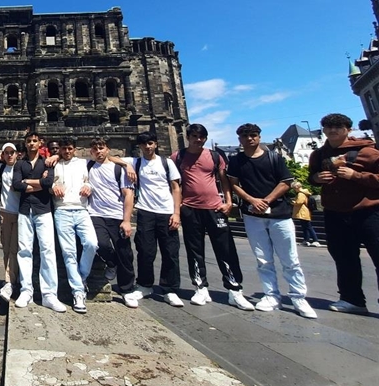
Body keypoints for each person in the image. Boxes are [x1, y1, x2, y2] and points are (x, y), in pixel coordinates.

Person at [227, 123, 316, 319]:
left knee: (290, 259)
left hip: (279, 214)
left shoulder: (274, 157)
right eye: (245, 136)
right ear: (239, 139)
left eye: (253, 135)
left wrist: (266, 200)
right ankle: (271, 295)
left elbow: (285, 182)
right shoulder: (236, 161)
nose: (249, 138)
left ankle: (298, 297)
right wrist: (252, 201)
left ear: (259, 136)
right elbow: (234, 185)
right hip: (253, 215)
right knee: (263, 260)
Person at [171, 124, 254, 311]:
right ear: (188, 136)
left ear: (205, 138)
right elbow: (174, 184)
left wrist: (229, 201)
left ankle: (234, 290)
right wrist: (178, 207)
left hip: (215, 208)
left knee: (225, 248)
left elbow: (224, 180)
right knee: (194, 249)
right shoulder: (177, 157)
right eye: (194, 136)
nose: (197, 139)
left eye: (201, 137)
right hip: (190, 208)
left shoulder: (215, 156)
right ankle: (201, 288)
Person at [309, 112, 379, 314]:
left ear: (348, 130)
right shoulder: (319, 154)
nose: (332, 130)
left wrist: (355, 175)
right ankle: (352, 299)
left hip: (368, 211)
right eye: (328, 127)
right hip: (335, 212)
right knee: (343, 257)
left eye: (338, 127)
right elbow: (311, 177)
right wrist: (317, 178)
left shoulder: (368, 151)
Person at [118, 132, 184, 307]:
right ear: (139, 146)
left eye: (150, 143)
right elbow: (110, 157)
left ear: (155, 144)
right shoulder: (136, 162)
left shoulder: (167, 162)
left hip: (166, 212)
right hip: (146, 211)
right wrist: (128, 166)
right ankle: (145, 285)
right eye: (144, 144)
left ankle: (170, 289)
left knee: (170, 252)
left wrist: (176, 213)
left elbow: (176, 188)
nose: (147, 146)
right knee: (146, 251)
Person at [12, 132, 65, 313]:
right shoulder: (20, 163)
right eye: (29, 141)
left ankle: (49, 294)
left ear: (40, 143)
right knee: (24, 249)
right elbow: (16, 184)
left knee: (47, 250)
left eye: (35, 141)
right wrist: (39, 183)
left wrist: (30, 181)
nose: (32, 144)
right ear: (25, 144)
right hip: (25, 210)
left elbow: (49, 181)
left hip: (43, 209)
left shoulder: (48, 162)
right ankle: (26, 290)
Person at [87, 138, 139, 308]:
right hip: (96, 214)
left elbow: (128, 195)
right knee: (98, 244)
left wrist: (126, 220)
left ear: (108, 149)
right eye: (95, 149)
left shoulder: (119, 169)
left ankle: (127, 289)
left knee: (124, 252)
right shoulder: (88, 166)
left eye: (101, 148)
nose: (98, 151)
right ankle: (111, 262)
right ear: (91, 152)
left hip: (117, 215)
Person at [50, 137, 98, 314]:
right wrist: (53, 187)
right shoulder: (54, 164)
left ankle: (81, 276)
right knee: (68, 252)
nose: (67, 151)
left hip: (81, 210)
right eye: (64, 149)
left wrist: (88, 186)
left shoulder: (84, 163)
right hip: (62, 210)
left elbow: (90, 179)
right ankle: (78, 292)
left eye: (70, 148)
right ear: (60, 150)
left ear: (75, 149)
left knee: (91, 243)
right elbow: (48, 183)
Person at [0, 142, 20, 302]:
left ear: (17, 153)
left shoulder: (22, 167)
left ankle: (11, 282)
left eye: (12, 152)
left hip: (21, 213)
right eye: (6, 153)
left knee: (16, 249)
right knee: (6, 249)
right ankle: (9, 281)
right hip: (5, 212)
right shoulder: (0, 169)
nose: (10, 155)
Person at [291, 182, 320, 247]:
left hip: (303, 212)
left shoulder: (301, 194)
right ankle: (306, 240)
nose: (294, 190)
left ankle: (315, 240)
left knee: (308, 227)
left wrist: (293, 202)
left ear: (296, 187)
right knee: (305, 227)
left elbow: (299, 202)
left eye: (294, 188)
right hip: (305, 212)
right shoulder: (304, 193)